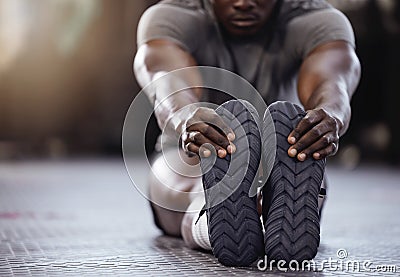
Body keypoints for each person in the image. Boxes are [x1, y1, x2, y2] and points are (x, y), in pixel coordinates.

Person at [134, 0, 360, 267]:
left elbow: (332, 80)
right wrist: (183, 117)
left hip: (285, 152)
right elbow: (166, 80)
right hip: (191, 152)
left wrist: (330, 115)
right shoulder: (173, 16)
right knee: (197, 182)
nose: (243, 3)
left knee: (294, 176)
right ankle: (232, 218)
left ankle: (221, 222)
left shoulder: (316, 19)